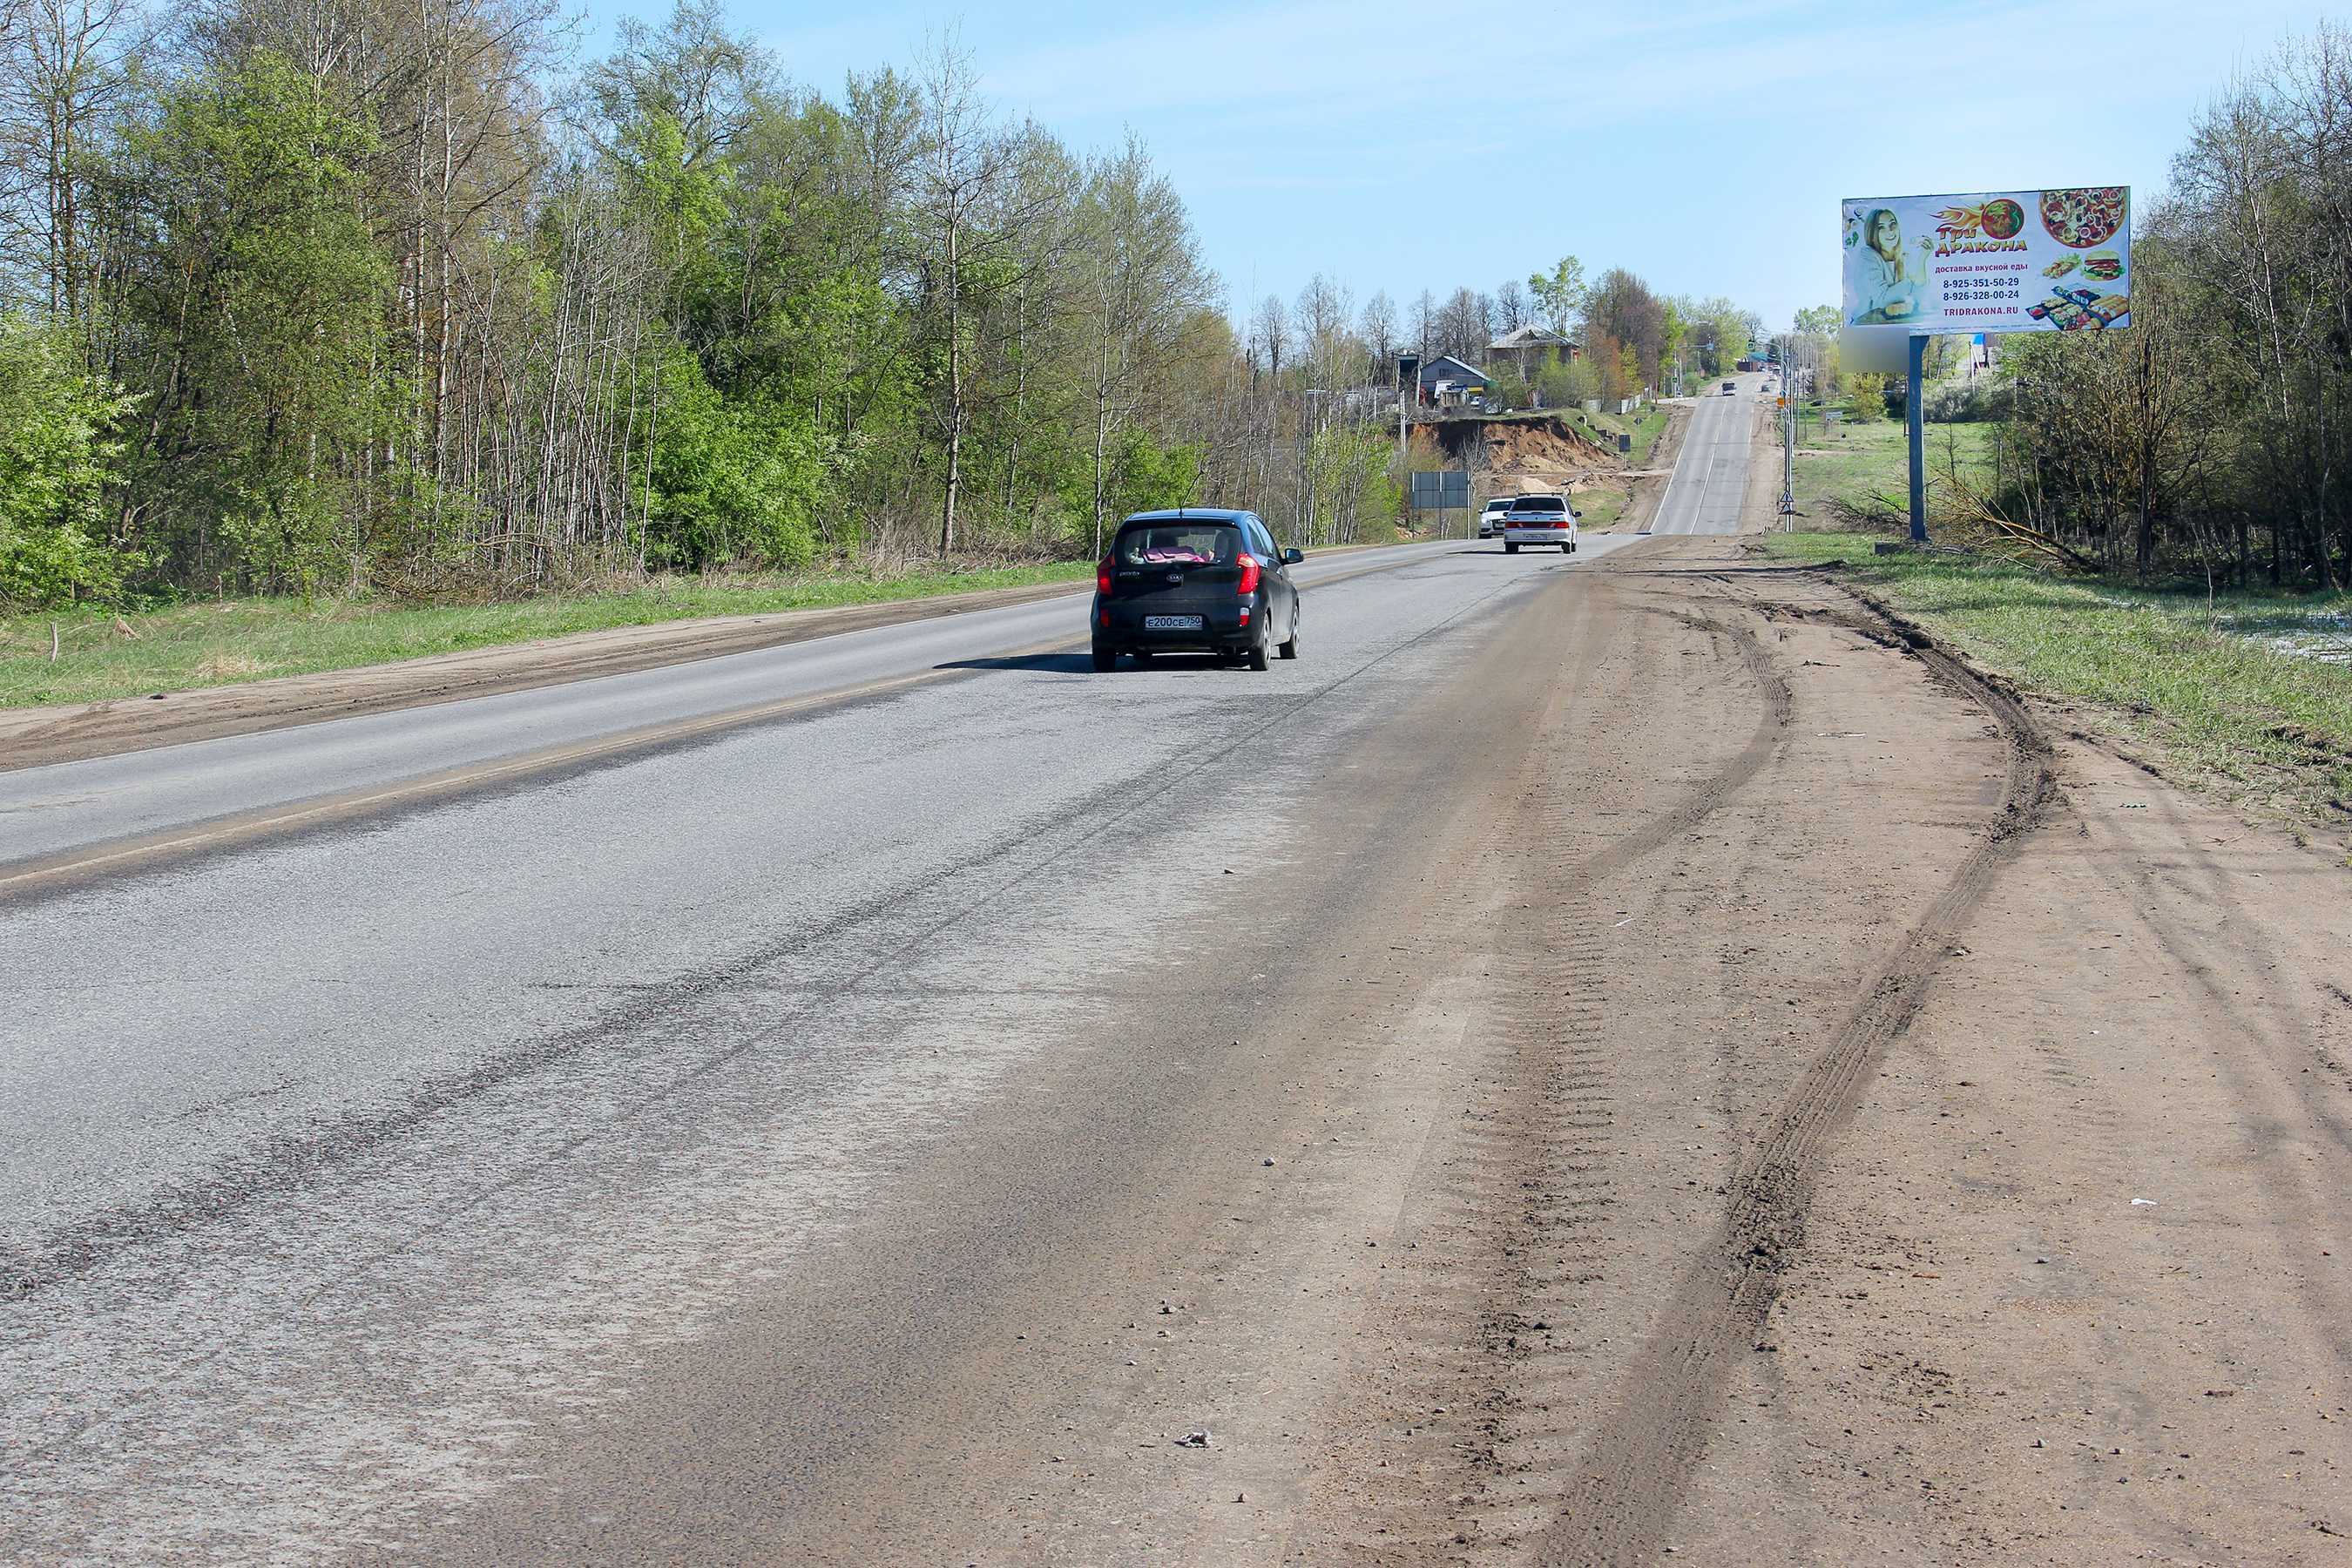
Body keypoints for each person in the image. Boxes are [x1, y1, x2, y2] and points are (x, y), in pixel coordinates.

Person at [1851, 207, 1925, 325]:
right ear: (1872, 233)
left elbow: (1921, 294)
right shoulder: (1868, 255)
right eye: (1881, 228)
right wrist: (1910, 282)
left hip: (1904, 325)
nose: (1890, 231)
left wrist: (1923, 258)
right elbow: (1882, 301)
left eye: (1893, 224)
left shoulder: (1904, 257)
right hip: (1868, 329)